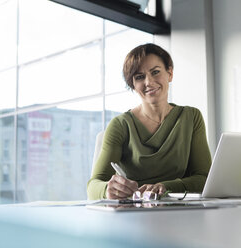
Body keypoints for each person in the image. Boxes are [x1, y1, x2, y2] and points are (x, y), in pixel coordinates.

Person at [87, 43, 211, 200]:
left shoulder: (191, 117)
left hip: (180, 211)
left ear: (170, 73)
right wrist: (107, 189)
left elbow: (204, 179)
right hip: (134, 214)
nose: (149, 82)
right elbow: (93, 187)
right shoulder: (120, 125)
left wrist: (165, 187)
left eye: (156, 72)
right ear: (133, 84)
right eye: (139, 77)